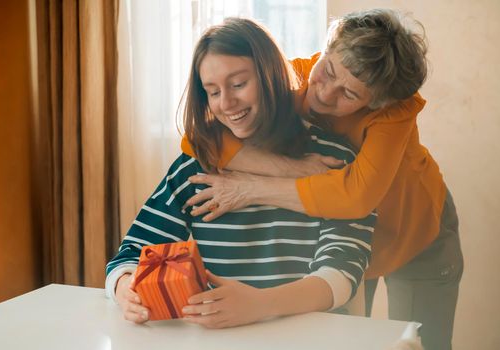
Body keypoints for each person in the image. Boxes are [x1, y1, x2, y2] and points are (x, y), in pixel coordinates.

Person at [181, 9, 463, 350]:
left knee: (419, 343)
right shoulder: (292, 76)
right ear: (325, 49)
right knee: (348, 340)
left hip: (416, 233)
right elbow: (198, 139)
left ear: (377, 101)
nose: (325, 94)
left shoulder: (395, 111)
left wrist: (250, 189)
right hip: (348, 235)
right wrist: (293, 169)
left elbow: (355, 198)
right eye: (327, 71)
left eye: (350, 95)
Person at [106, 17, 374, 329]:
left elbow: (342, 272)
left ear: (270, 75)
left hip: (309, 334)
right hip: (220, 335)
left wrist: (261, 304)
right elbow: (132, 252)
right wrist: (126, 289)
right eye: (213, 91)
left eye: (238, 84)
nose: (226, 103)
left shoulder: (334, 160)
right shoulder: (197, 163)